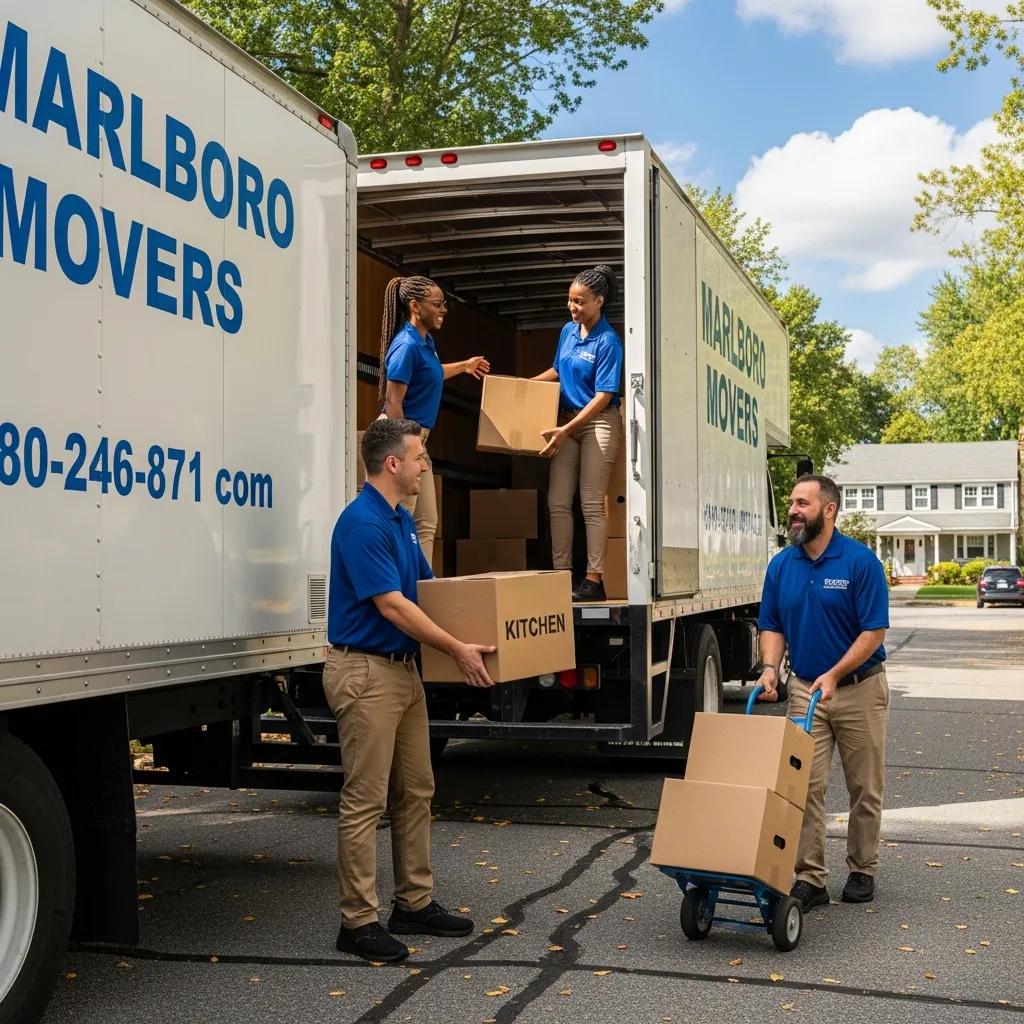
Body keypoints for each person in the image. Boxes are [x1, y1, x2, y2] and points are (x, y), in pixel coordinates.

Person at [325, 418, 496, 963]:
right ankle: (357, 923)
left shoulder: (399, 521)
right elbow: (394, 605)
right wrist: (456, 649)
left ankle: (413, 903)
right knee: (366, 800)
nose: (427, 466)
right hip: (366, 674)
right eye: (420, 457)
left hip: (402, 673)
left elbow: (428, 591)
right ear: (393, 463)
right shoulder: (362, 524)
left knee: (416, 791)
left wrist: (490, 619)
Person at [756, 474, 890, 911]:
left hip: (858, 690)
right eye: (792, 502)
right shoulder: (781, 565)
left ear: (828, 510)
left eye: (802, 503)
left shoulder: (859, 563)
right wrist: (770, 668)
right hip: (803, 690)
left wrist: (834, 674)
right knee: (802, 786)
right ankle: (810, 877)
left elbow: (873, 632)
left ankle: (862, 868)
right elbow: (772, 624)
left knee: (863, 787)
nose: (793, 510)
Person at [378, 275, 490, 559]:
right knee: (404, 516)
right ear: (416, 306)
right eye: (437, 305)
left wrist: (465, 366)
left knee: (426, 519)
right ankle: (401, 589)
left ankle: (421, 587)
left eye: (444, 304)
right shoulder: (406, 346)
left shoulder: (425, 342)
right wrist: (405, 450)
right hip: (400, 436)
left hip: (416, 440)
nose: (443, 310)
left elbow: (433, 372)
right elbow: (393, 402)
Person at [531, 265, 624, 601]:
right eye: (570, 300)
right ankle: (560, 575)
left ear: (599, 301)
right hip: (567, 422)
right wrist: (521, 387)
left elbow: (603, 396)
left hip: (598, 422)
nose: (573, 307)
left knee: (590, 503)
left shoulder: (609, 341)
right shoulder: (568, 332)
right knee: (557, 501)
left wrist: (566, 428)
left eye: (580, 301)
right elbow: (558, 369)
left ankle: (593, 579)